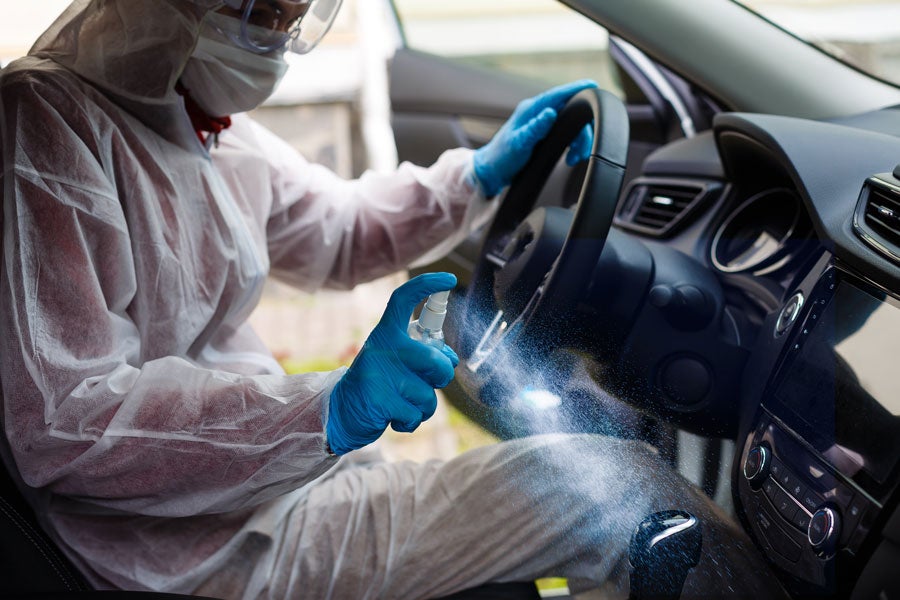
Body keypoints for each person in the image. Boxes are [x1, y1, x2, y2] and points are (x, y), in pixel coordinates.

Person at [0, 0, 784, 598]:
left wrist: (477, 178)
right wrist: (319, 411)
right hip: (195, 552)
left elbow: (336, 230)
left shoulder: (204, 128)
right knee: (624, 491)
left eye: (297, 16)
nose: (281, 35)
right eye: (267, 12)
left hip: (262, 494)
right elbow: (65, 420)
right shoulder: (46, 126)